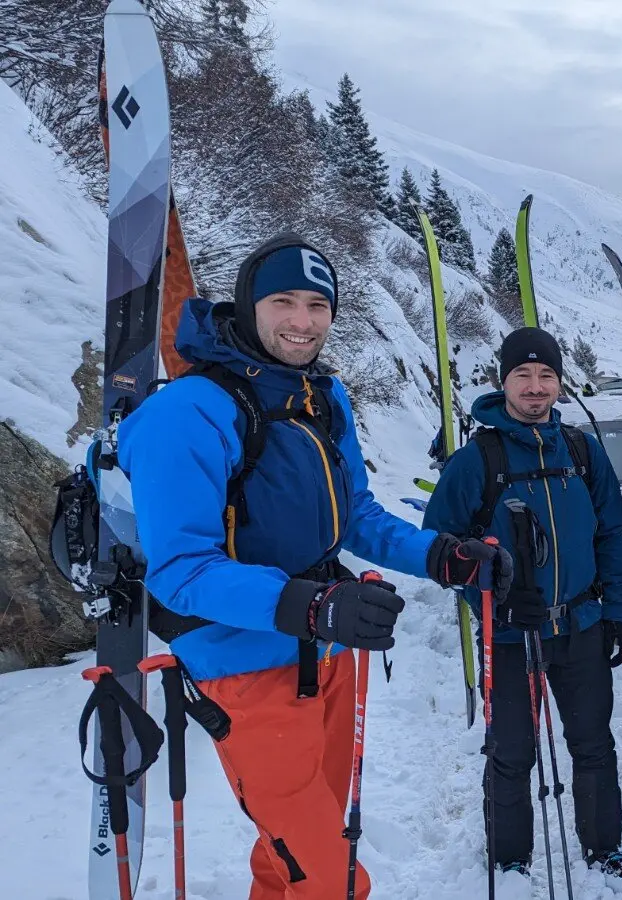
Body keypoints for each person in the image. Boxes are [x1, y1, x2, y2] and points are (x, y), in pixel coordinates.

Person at [119, 233, 510, 898]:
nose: (302, 322)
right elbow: (179, 569)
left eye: (317, 305)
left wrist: (441, 555)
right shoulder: (186, 413)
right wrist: (313, 605)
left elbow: (356, 515)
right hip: (242, 666)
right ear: (248, 304)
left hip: (323, 654)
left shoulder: (323, 399)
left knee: (291, 863)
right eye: (283, 301)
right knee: (328, 874)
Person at [422, 327, 622, 878]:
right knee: (512, 752)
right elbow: (440, 547)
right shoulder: (477, 460)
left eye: (546, 376)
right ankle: (510, 858)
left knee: (593, 743)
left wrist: (615, 612)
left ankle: (603, 847)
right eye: (524, 375)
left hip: (582, 625)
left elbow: (610, 533)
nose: (536, 388)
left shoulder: (584, 451)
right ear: (504, 380)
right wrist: (491, 596)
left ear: (560, 383)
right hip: (511, 634)